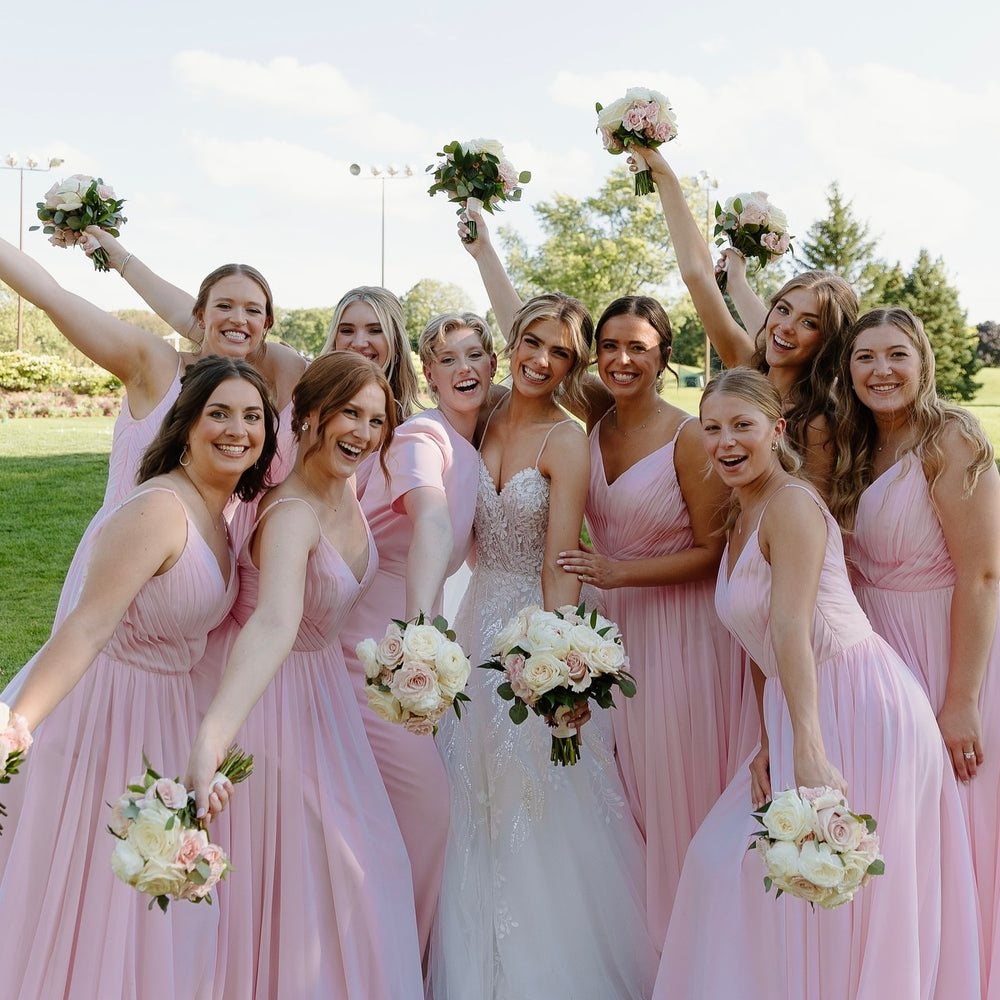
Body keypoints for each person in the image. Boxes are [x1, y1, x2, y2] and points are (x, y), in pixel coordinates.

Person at [652, 368, 980, 1000]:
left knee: (837, 889)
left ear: (776, 430)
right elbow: (757, 641)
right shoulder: (740, 512)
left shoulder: (793, 506)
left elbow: (790, 627)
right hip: (800, 704)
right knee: (726, 865)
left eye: (742, 426)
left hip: (857, 705)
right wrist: (767, 738)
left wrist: (807, 746)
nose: (726, 441)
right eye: (712, 428)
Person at [0, 356, 278, 1000]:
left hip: (162, 723)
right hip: (100, 719)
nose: (237, 429)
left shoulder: (220, 515)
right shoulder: (158, 510)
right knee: (86, 902)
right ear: (187, 425)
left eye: (252, 416)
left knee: (148, 913)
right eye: (218, 413)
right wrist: (16, 726)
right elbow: (86, 627)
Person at [427, 294, 658, 1000]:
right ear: (513, 341)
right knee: (465, 788)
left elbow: (562, 562)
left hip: (531, 627)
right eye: (533, 341)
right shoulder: (483, 411)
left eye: (560, 352)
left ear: (574, 364)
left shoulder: (566, 439)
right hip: (473, 622)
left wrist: (558, 669)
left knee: (532, 791)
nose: (541, 360)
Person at [185, 351, 424, 1000]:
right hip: (270, 707)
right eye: (350, 414)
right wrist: (214, 737)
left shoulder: (346, 491)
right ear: (310, 415)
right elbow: (274, 623)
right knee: (325, 872)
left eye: (376, 420)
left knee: (361, 868)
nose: (364, 433)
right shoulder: (291, 514)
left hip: (326, 700)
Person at [554, 294, 743, 943]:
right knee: (621, 789)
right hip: (611, 633)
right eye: (609, 346)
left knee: (673, 787)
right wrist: (483, 252)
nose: (622, 359)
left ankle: (693, 943)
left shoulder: (688, 437)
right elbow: (530, 338)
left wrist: (619, 573)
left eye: (638, 347)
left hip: (680, 636)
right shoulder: (595, 419)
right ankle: (642, 944)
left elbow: (714, 552)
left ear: (665, 355)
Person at [829, 307, 999, 998]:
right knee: (893, 822)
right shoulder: (852, 444)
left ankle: (955, 976)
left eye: (896, 354)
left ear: (923, 360)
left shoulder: (950, 438)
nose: (881, 370)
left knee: (953, 818)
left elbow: (981, 574)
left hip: (945, 643)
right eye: (865, 357)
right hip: (875, 653)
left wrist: (961, 700)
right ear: (847, 369)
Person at [338, 313, 496, 958]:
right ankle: (398, 959)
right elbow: (430, 519)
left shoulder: (474, 450)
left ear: (493, 365)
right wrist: (419, 631)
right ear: (427, 374)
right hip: (370, 647)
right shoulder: (421, 437)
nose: (463, 369)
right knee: (429, 810)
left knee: (408, 814)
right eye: (447, 359)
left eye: (474, 355)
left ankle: (398, 957)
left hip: (409, 651)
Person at [640, 146, 857, 499]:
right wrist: (665, 176)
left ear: (827, 340)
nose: (786, 326)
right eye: (783, 309)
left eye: (809, 323)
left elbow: (816, 517)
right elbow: (697, 276)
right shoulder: (749, 371)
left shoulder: (817, 423)